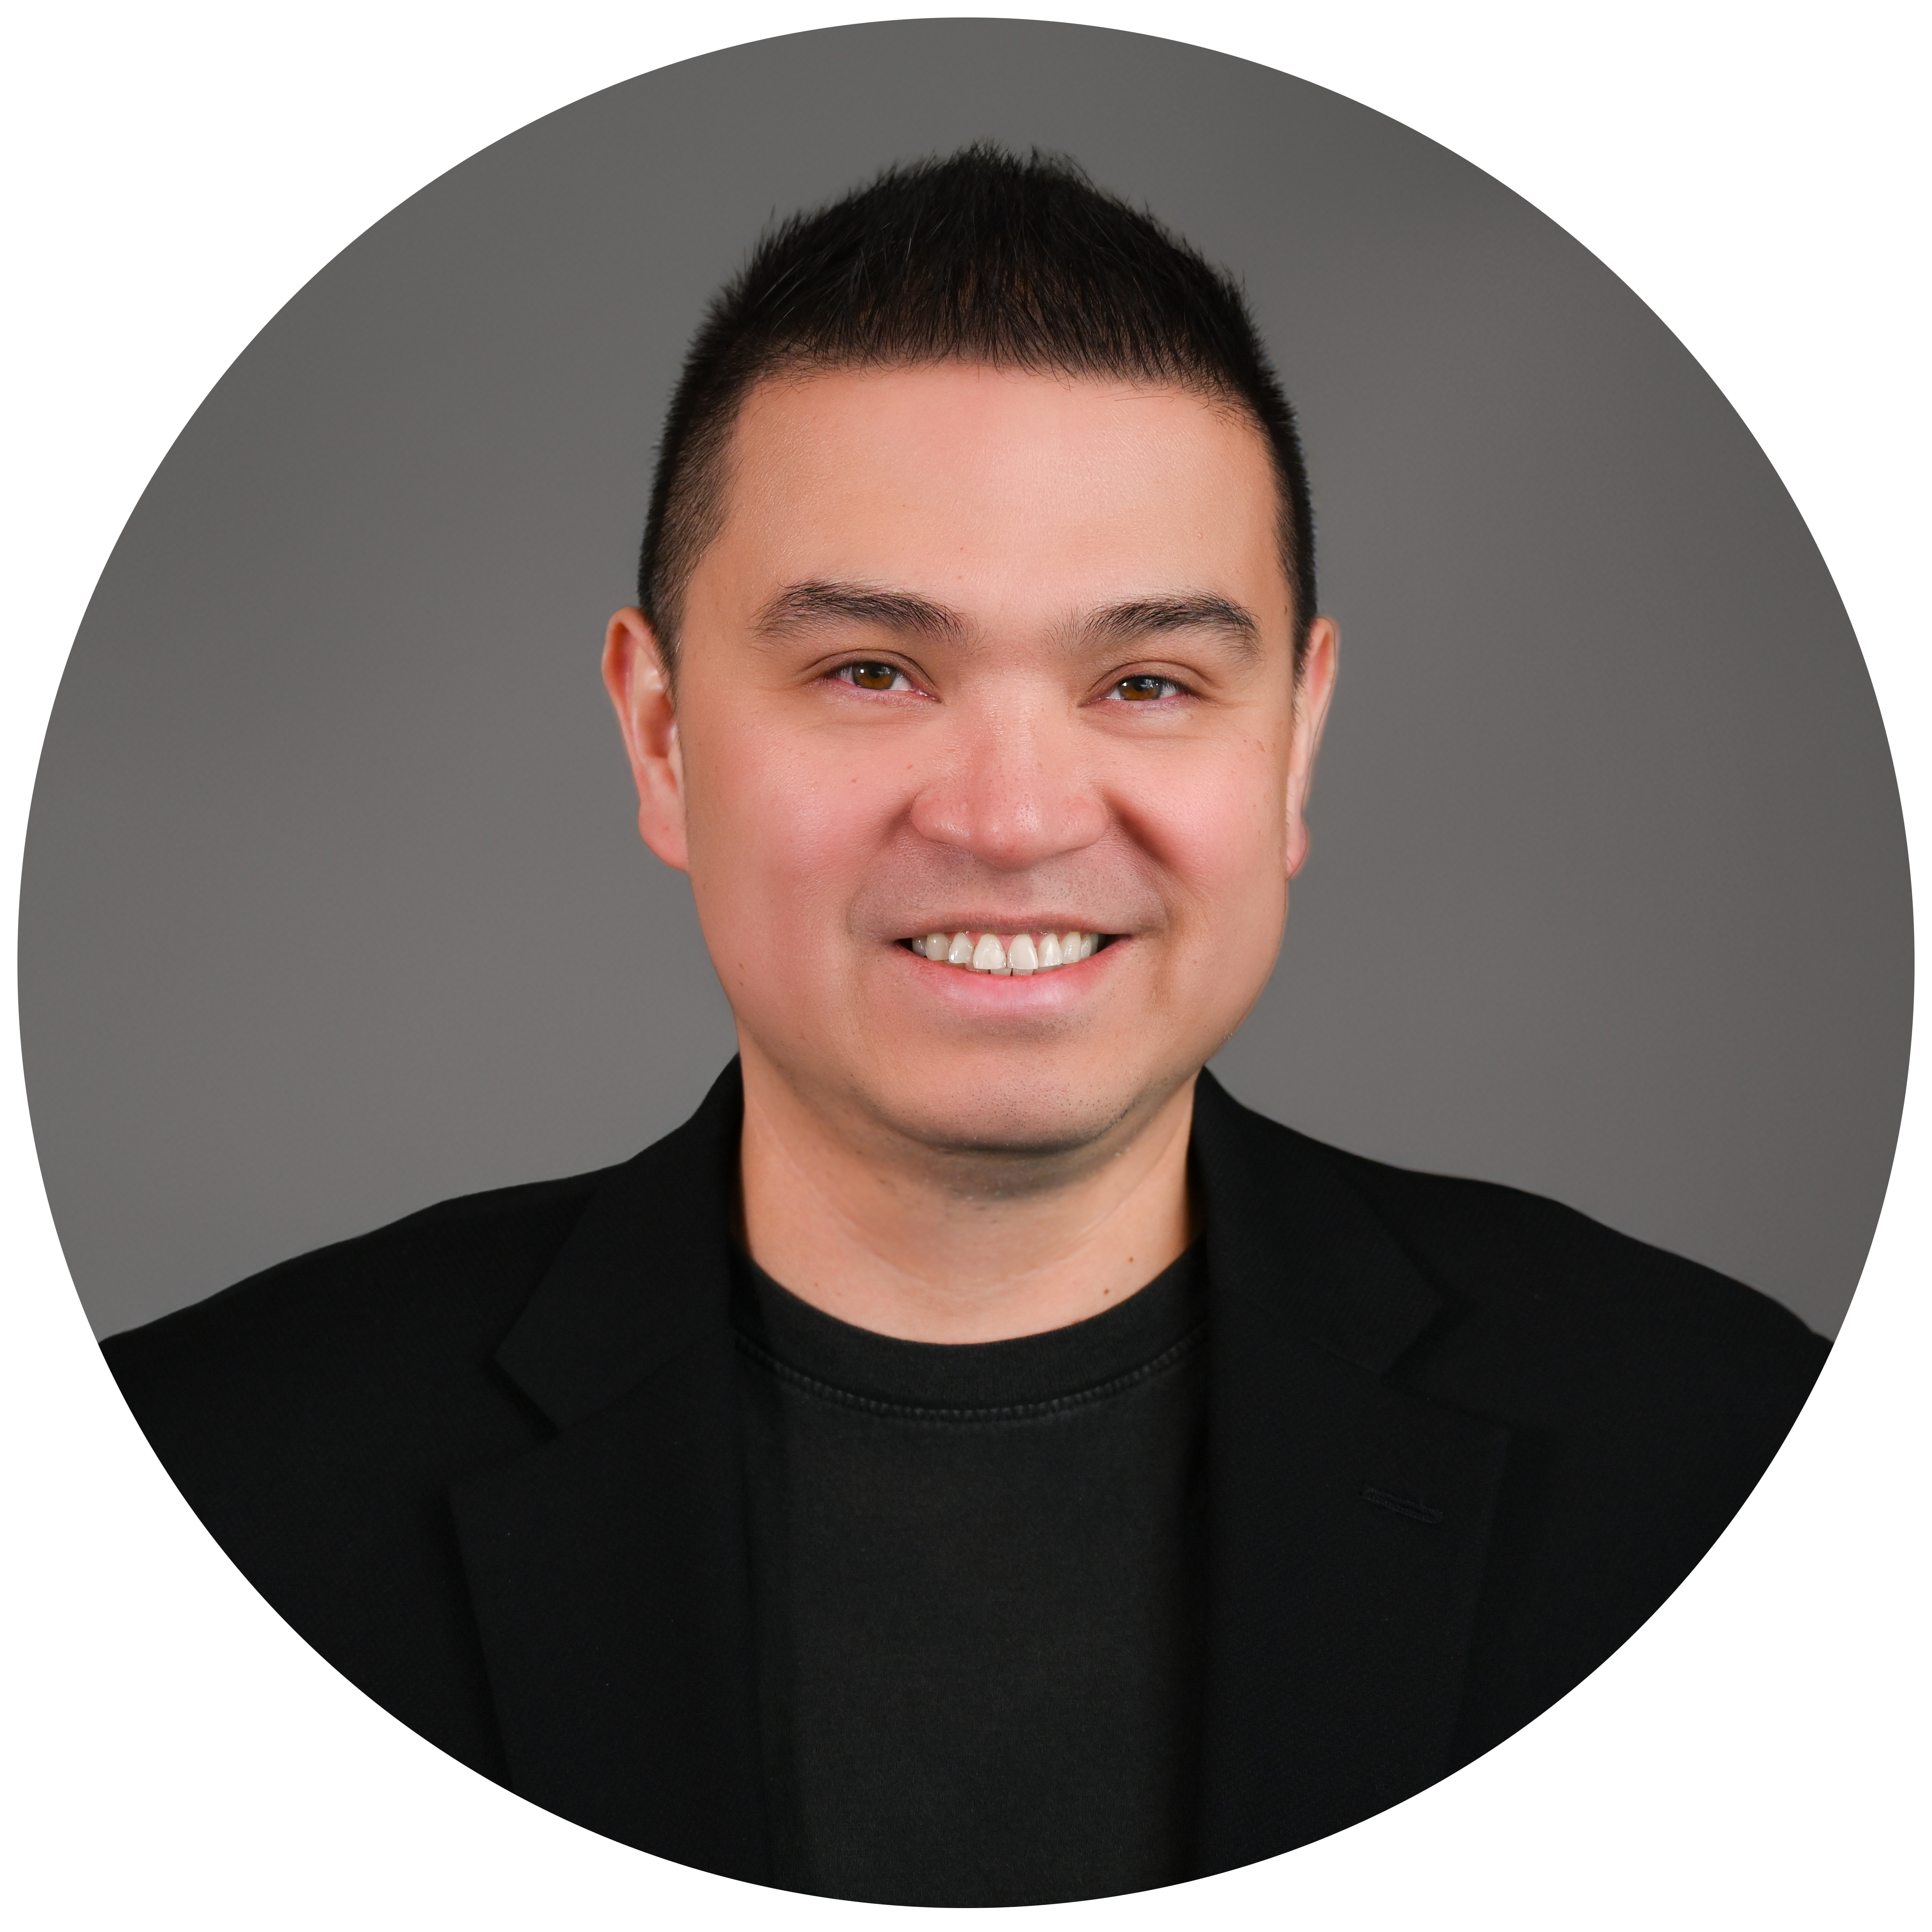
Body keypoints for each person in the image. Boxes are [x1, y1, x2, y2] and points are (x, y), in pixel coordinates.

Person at [102, 146, 1827, 1907]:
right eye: (872, 672)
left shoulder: (1739, 1467)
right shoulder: (184, 1495)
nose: (1011, 819)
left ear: (1294, 743)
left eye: (1147, 682)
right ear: (661, 734)